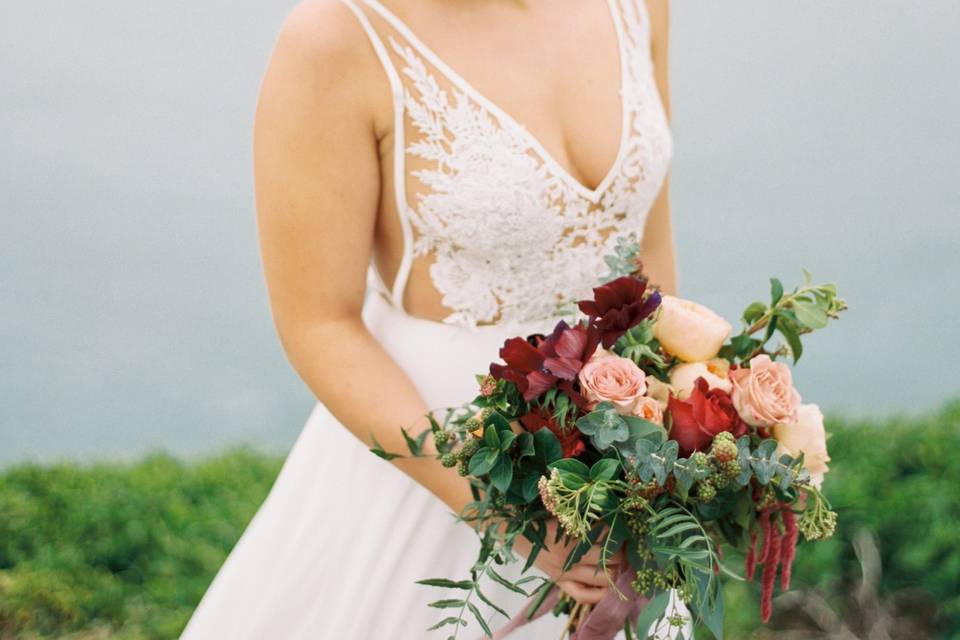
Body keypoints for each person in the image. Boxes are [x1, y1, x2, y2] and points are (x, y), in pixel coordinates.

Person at [181, 0, 687, 637]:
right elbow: (318, 323)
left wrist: (671, 458)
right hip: (430, 466)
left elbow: (652, 266)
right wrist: (506, 514)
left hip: (618, 480)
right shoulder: (334, 37)